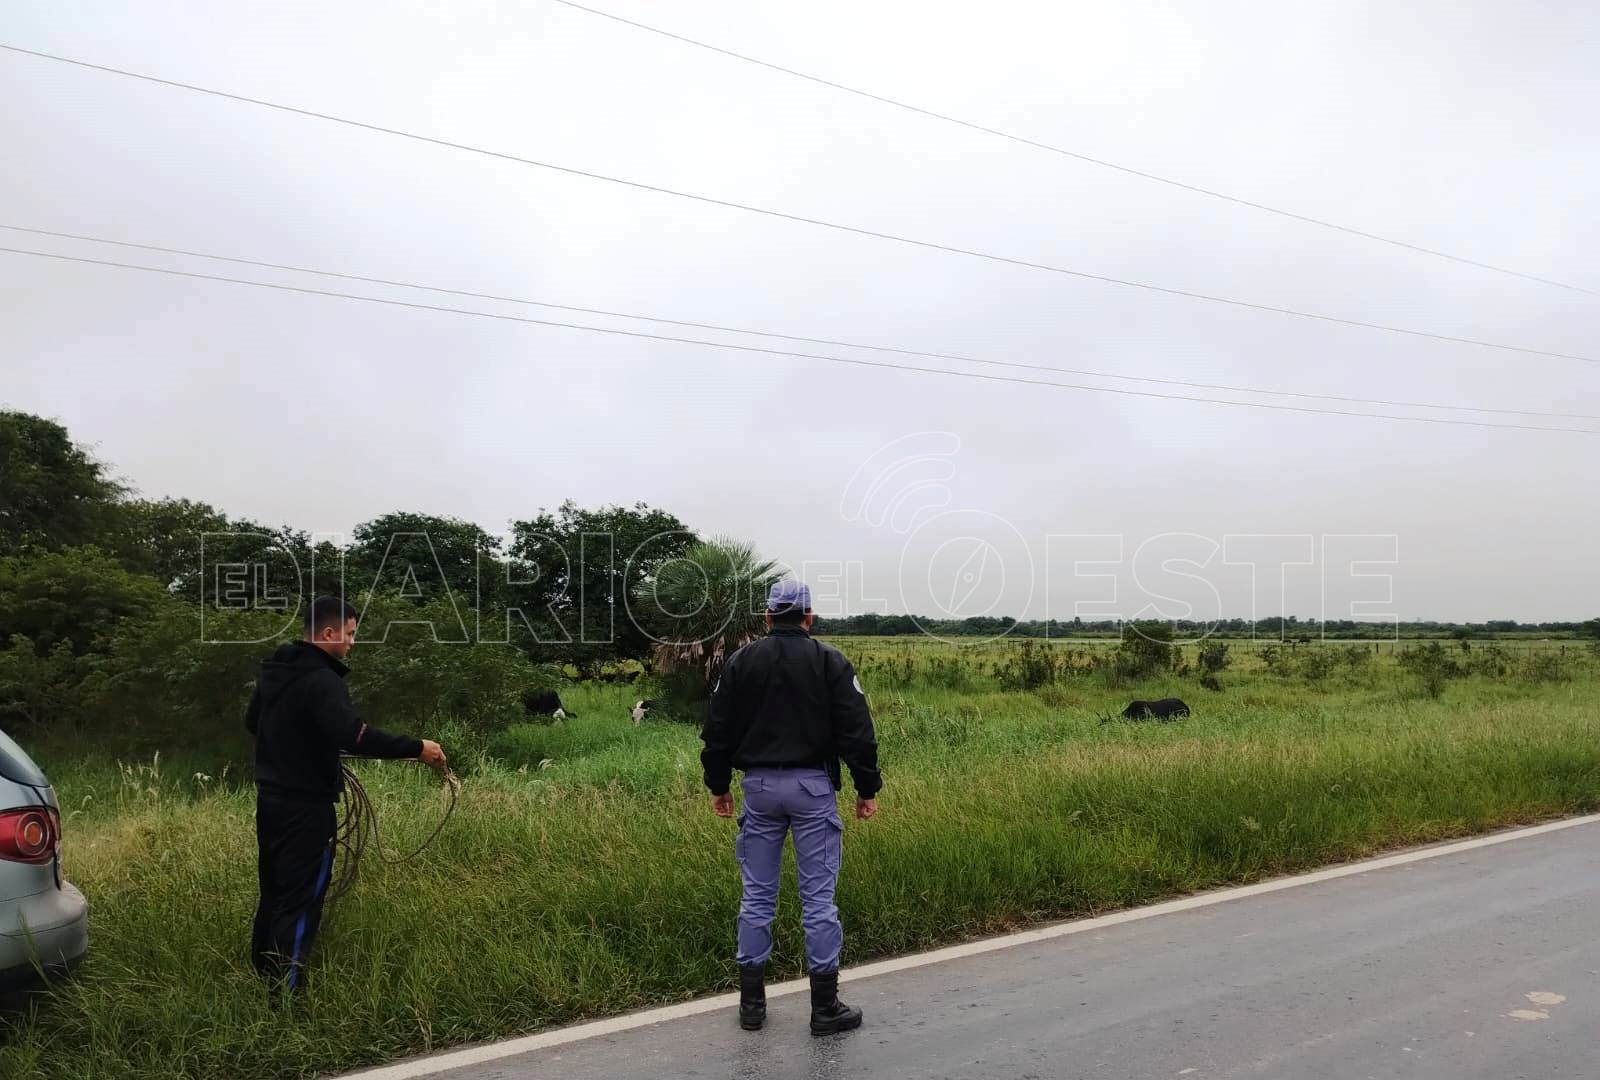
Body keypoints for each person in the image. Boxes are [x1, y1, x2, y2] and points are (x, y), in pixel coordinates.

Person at [702, 579, 882, 1035]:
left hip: (758, 788)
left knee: (757, 895)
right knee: (818, 899)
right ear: (808, 617)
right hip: (811, 787)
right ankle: (825, 1008)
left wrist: (718, 785)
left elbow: (717, 729)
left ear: (767, 618)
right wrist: (866, 788)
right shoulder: (829, 661)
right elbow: (856, 730)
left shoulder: (740, 661)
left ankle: (752, 1007)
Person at [244, 595, 446, 992]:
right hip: (307, 807)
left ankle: (262, 974)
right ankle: (284, 995)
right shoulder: (322, 679)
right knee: (301, 899)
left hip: (271, 800)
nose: (353, 643)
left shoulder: (277, 669)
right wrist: (417, 748)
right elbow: (355, 734)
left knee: (274, 891)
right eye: (351, 635)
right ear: (329, 632)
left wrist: (303, 749)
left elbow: (254, 722)